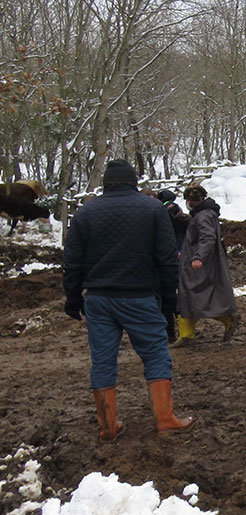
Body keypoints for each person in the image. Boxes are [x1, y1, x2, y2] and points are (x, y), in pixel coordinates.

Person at [62, 159, 194, 440]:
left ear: (105, 183)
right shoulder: (153, 209)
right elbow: (167, 259)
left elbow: (72, 261)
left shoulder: (85, 212)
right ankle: (165, 419)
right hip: (140, 297)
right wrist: (169, 300)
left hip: (98, 299)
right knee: (156, 354)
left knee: (102, 361)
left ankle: (108, 426)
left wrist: (72, 298)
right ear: (133, 182)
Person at [171, 185, 238, 347]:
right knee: (189, 297)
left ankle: (226, 319)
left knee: (193, 296)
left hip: (199, 265)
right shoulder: (205, 214)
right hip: (197, 261)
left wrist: (198, 257)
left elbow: (207, 237)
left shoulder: (203, 216)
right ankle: (187, 334)